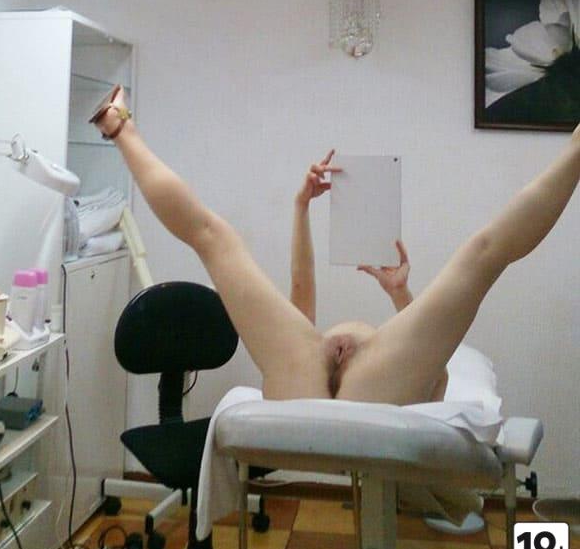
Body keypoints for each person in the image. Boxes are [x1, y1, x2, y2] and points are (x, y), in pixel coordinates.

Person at [91, 86, 580, 405]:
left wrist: (398, 292)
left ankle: (119, 128)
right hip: (370, 380)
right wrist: (302, 207)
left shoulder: (375, 351)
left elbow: (430, 370)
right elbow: (427, 360)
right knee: (482, 254)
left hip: (310, 378)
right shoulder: (396, 353)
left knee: (212, 237)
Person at [289, 149, 449, 399]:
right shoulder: (395, 380)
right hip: (373, 378)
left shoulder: (308, 376)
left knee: (297, 331)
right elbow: (435, 368)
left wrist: (301, 206)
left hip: (337, 373)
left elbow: (300, 309)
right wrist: (399, 294)